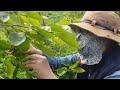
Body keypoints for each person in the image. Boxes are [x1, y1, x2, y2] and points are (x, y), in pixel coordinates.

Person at [23, 11, 120, 79]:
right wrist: (39, 54)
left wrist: (49, 76)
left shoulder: (116, 72)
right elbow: (58, 63)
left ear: (105, 39)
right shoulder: (87, 57)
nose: (77, 37)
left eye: (86, 32)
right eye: (79, 32)